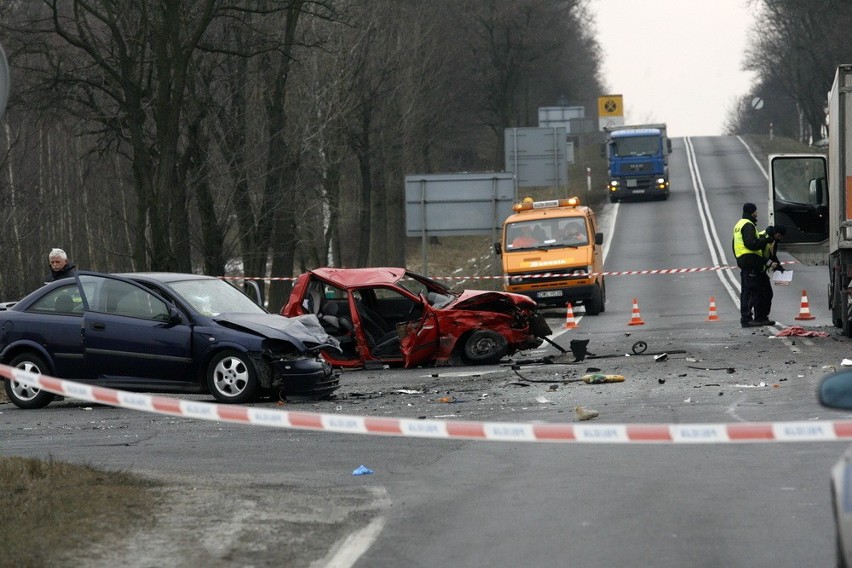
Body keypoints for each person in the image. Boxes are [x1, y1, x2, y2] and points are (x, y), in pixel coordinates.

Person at [732, 203, 775, 327]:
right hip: (750, 261)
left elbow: (734, 245)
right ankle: (747, 319)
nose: (757, 213)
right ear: (752, 212)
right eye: (755, 211)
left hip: (748, 262)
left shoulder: (739, 225)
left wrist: (739, 259)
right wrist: (765, 241)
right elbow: (751, 244)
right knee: (750, 292)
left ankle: (760, 317)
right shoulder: (748, 225)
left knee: (761, 291)